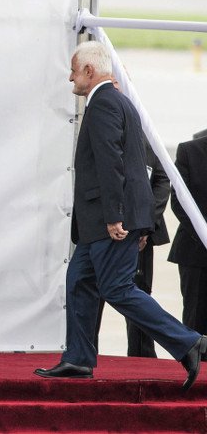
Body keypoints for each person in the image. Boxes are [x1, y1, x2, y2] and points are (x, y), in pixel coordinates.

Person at [34, 40, 206, 391]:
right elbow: (134, 166)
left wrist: (118, 217)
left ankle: (187, 342)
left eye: (73, 71)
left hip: (109, 220)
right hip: (101, 222)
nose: (70, 79)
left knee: (117, 288)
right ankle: (79, 358)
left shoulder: (104, 104)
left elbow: (113, 165)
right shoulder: (119, 102)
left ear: (89, 70)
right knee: (79, 281)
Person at [95, 138, 169, 358]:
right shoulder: (104, 143)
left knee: (139, 294)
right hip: (101, 233)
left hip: (141, 238)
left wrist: (145, 227)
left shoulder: (152, 146)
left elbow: (162, 183)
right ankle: (87, 354)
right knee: (94, 295)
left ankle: (143, 357)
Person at [168, 133, 207, 334]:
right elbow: (178, 202)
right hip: (196, 252)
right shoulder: (189, 151)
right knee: (196, 319)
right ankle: (197, 364)